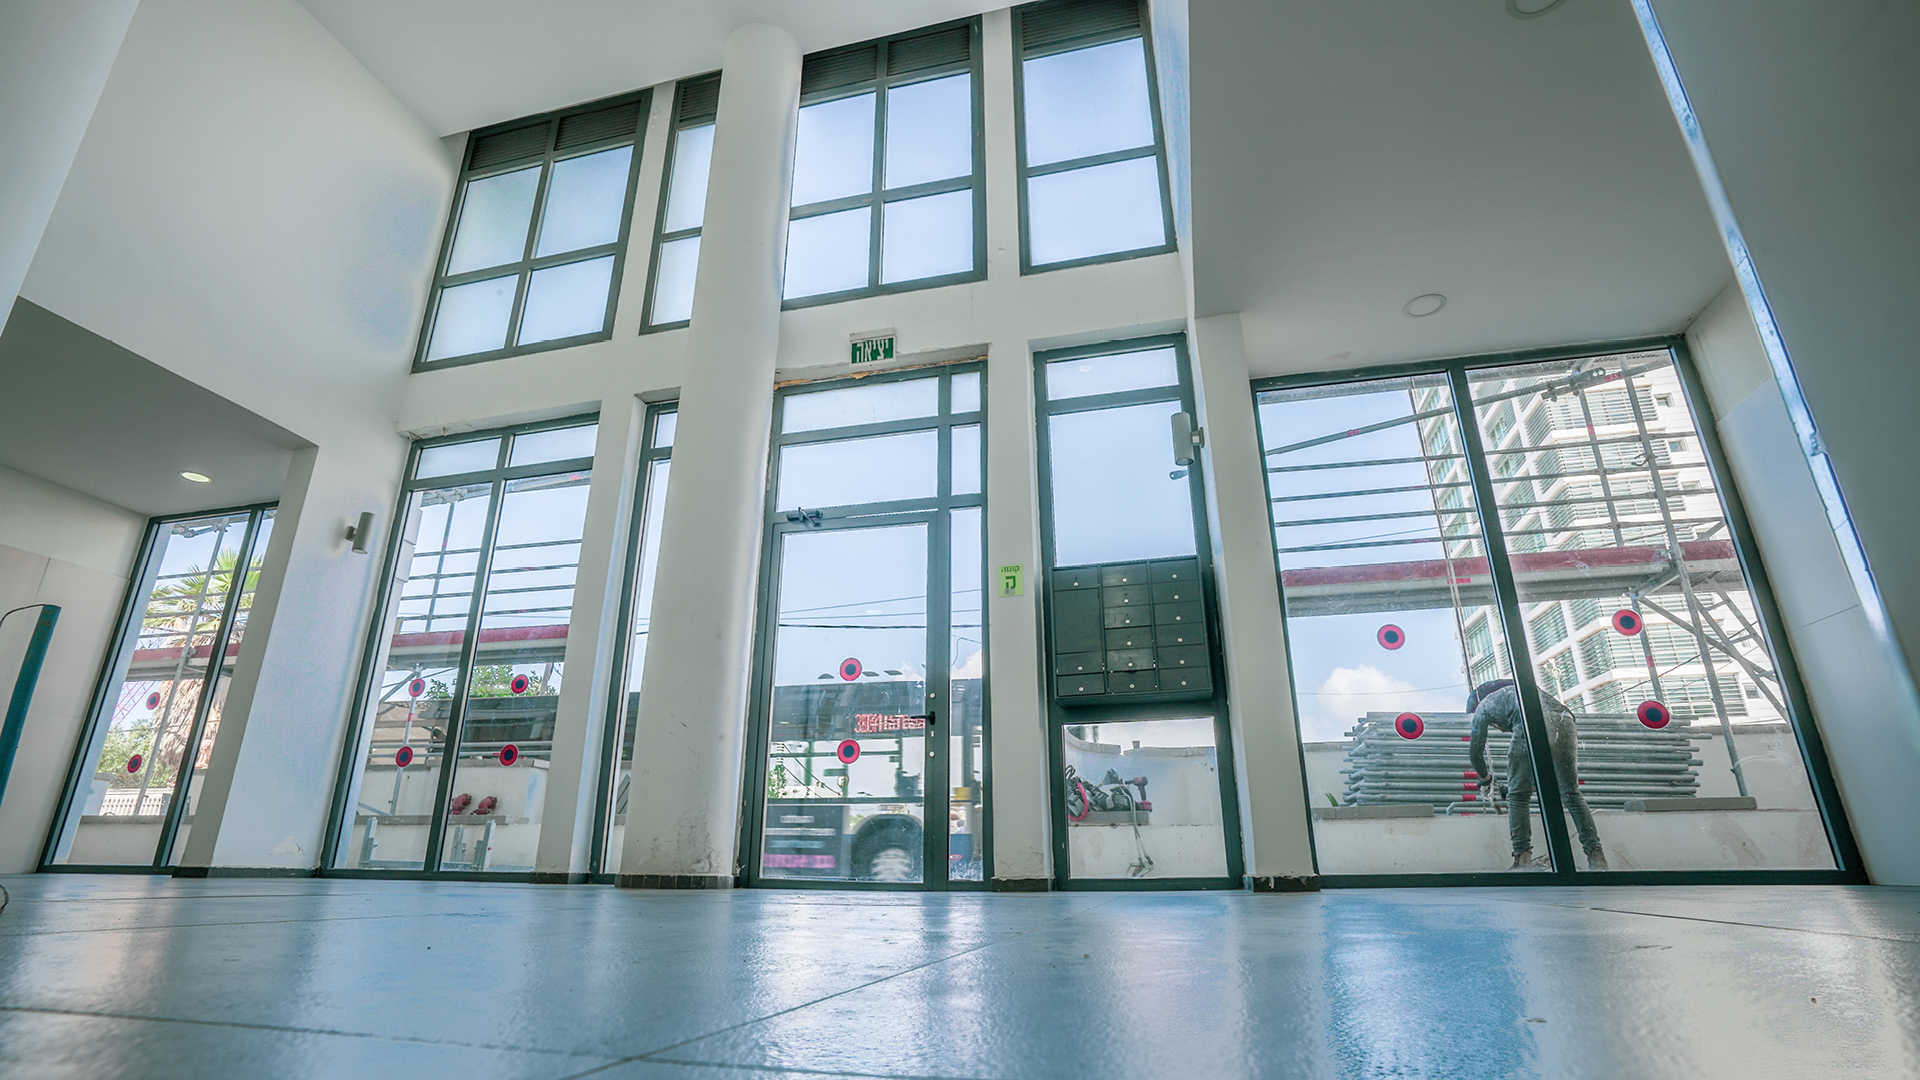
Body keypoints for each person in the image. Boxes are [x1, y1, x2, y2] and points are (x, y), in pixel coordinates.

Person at [1467, 679, 1608, 871]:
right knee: (1571, 793)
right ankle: (1597, 858)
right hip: (1566, 720)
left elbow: (1475, 753)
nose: (1498, 728)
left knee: (1518, 796)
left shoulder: (1483, 706)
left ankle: (1522, 861)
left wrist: (1486, 779)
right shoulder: (1522, 692)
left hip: (1527, 723)